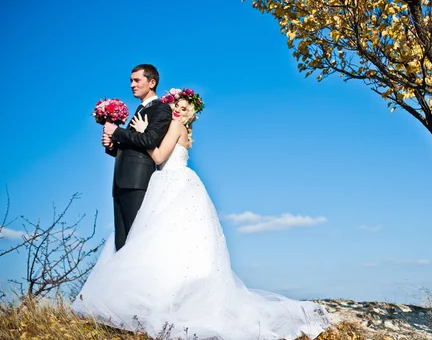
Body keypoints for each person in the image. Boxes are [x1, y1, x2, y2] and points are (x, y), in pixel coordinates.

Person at [73, 89, 331, 340]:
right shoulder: (183, 130)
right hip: (178, 184)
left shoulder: (175, 127)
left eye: (182, 108)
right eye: (176, 106)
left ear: (188, 113)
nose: (176, 110)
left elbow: (159, 155)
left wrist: (138, 132)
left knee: (156, 240)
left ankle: (152, 301)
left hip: (169, 182)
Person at [102, 64, 172, 251]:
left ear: (152, 82)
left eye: (137, 80)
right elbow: (133, 148)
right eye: (131, 81)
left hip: (137, 182)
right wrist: (112, 147)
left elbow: (150, 140)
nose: (132, 84)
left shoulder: (161, 109)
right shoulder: (139, 110)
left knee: (136, 242)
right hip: (120, 183)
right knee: (121, 244)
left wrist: (117, 132)